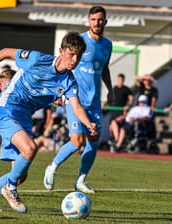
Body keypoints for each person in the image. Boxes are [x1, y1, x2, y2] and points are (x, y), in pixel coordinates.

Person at [0, 32, 97, 213]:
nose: (74, 60)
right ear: (61, 51)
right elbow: (6, 51)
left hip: (23, 118)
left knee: (20, 175)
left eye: (78, 56)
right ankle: (10, 189)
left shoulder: (69, 81)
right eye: (71, 54)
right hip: (6, 109)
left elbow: (76, 106)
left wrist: (88, 123)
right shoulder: (37, 59)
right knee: (30, 148)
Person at [43, 5, 113, 194]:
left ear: (105, 22)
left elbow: (104, 68)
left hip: (94, 101)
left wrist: (110, 89)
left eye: (100, 19)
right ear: (88, 20)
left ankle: (81, 180)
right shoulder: (80, 42)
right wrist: (57, 92)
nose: (97, 23)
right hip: (75, 99)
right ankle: (52, 167)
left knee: (94, 140)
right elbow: (64, 64)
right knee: (77, 141)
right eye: (93, 19)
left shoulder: (107, 44)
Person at [108, 73, 134, 152]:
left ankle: (117, 142)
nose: (120, 81)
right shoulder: (114, 89)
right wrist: (104, 104)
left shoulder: (126, 89)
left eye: (121, 80)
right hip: (114, 112)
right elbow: (109, 98)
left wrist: (128, 105)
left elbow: (131, 99)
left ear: (123, 80)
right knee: (112, 126)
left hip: (122, 113)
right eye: (119, 80)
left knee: (119, 126)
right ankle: (116, 140)